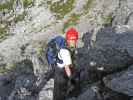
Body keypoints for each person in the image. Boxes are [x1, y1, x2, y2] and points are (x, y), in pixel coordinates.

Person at [46, 28, 79, 100]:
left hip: (61, 67)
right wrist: (71, 78)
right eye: (72, 40)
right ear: (68, 39)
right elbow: (67, 67)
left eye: (74, 40)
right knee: (59, 90)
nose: (73, 42)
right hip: (60, 70)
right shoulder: (65, 51)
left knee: (61, 87)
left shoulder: (66, 44)